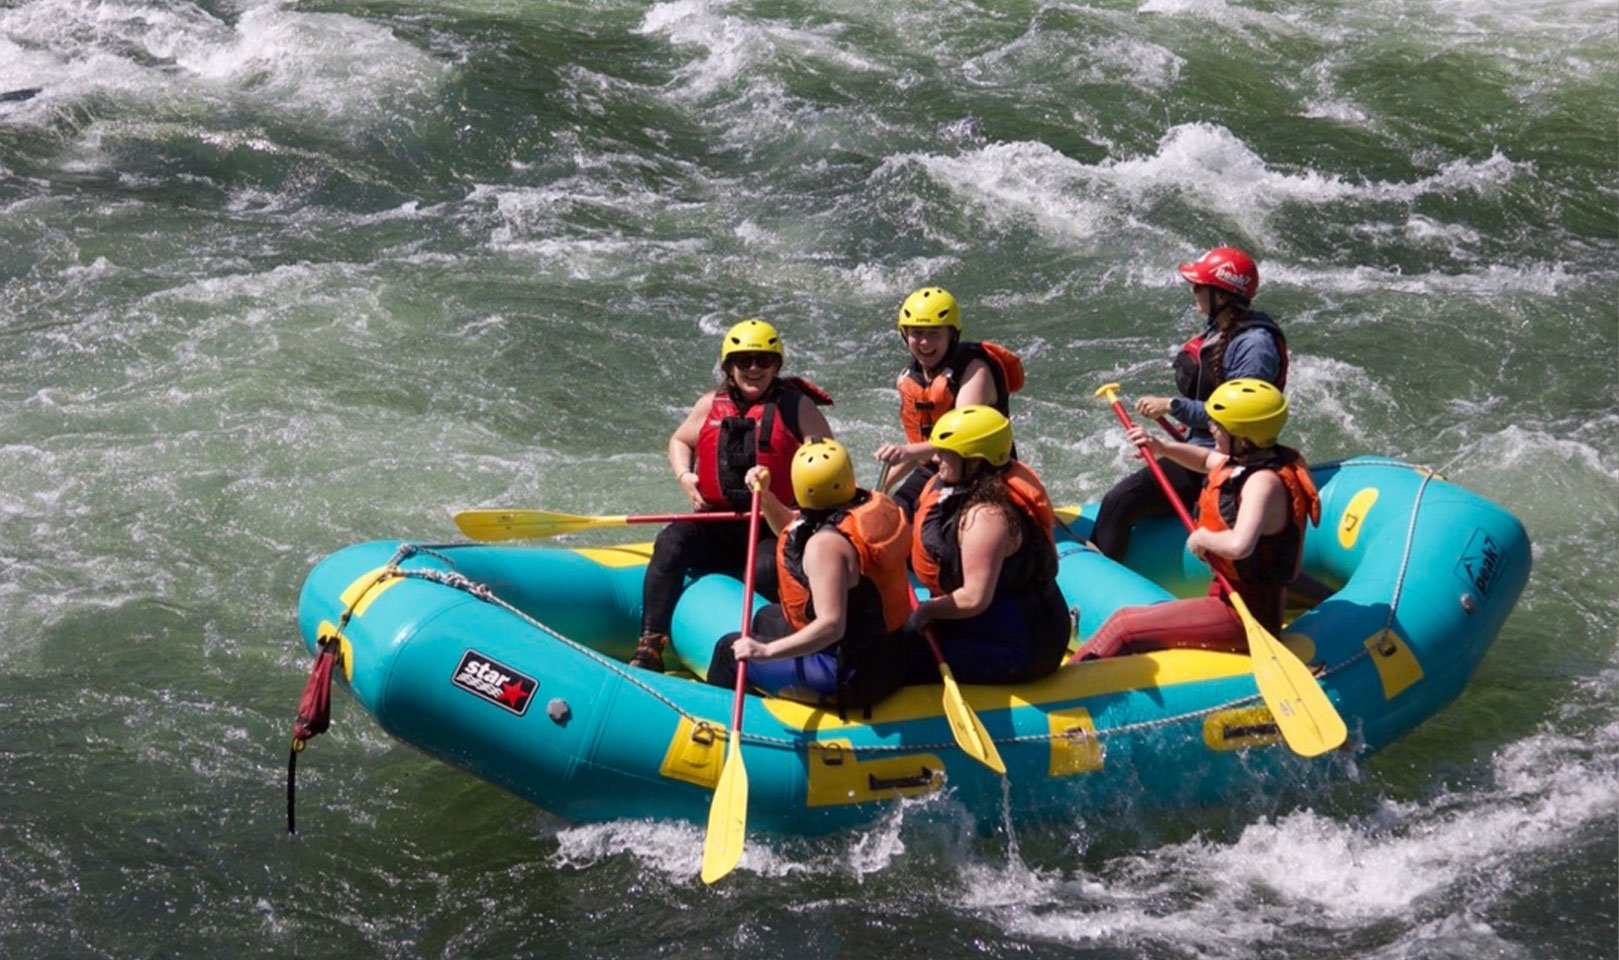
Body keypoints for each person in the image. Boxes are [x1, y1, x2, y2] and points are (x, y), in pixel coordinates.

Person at [631, 319, 835, 672]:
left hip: (774, 526)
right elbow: (680, 440)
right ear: (729, 367)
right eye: (744, 361)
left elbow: (830, 462)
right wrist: (685, 476)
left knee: (765, 569)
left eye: (763, 360)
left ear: (776, 366)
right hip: (717, 522)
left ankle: (760, 657)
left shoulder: (797, 408)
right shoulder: (711, 403)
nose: (754, 368)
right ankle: (650, 643)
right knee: (670, 542)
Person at [1075, 379, 1321, 660]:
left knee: (1124, 625)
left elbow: (1241, 545)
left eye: (1219, 425)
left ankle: (1066, 696)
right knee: (1127, 621)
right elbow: (1206, 460)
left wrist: (1202, 537)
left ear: (1244, 437)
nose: (1211, 428)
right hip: (1227, 597)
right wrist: (1161, 447)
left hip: (1245, 615)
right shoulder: (1248, 461)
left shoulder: (1262, 483)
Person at [1091, 247, 1288, 562]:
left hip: (1224, 456)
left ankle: (1096, 587)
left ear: (1221, 296)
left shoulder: (1254, 347)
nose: (1193, 292)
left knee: (1119, 503)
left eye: (1199, 286)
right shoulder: (1222, 328)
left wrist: (1172, 405)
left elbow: (1237, 418)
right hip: (1205, 446)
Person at [705, 438, 913, 714]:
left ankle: (717, 725)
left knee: (727, 651)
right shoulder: (863, 505)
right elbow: (790, 529)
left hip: (849, 672)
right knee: (765, 618)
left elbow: (831, 626)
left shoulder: (825, 546)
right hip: (887, 653)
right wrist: (764, 495)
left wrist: (766, 652)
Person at [904, 406, 1070, 685]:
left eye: (946, 452)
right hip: (986, 623)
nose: (935, 457)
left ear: (975, 461)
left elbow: (973, 598)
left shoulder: (988, 517)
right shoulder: (955, 488)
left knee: (903, 661)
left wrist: (926, 610)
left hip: (1022, 644)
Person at [874, 287, 1024, 519]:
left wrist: (907, 451)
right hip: (938, 467)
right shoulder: (908, 379)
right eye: (916, 333)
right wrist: (880, 489)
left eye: (934, 333)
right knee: (894, 514)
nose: (924, 343)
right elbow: (920, 446)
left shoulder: (974, 371)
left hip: (980, 471)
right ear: (905, 335)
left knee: (933, 523)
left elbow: (963, 439)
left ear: (952, 334)